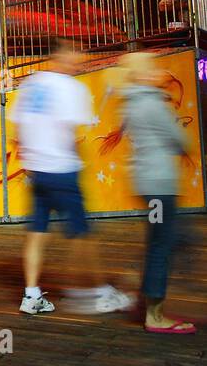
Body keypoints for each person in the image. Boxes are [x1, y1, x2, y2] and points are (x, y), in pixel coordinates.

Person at [9, 38, 133, 316]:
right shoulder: (71, 87)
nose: (82, 57)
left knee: (37, 232)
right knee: (82, 232)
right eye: (76, 52)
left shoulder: (30, 84)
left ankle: (31, 295)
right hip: (62, 170)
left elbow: (17, 130)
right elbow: (77, 132)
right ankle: (96, 291)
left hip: (36, 171)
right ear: (62, 56)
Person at [118, 53, 196, 333]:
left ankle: (144, 298)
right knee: (162, 246)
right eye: (150, 69)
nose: (155, 72)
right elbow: (180, 139)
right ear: (141, 75)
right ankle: (155, 314)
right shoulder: (153, 104)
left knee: (159, 242)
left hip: (147, 184)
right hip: (160, 186)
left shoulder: (132, 102)